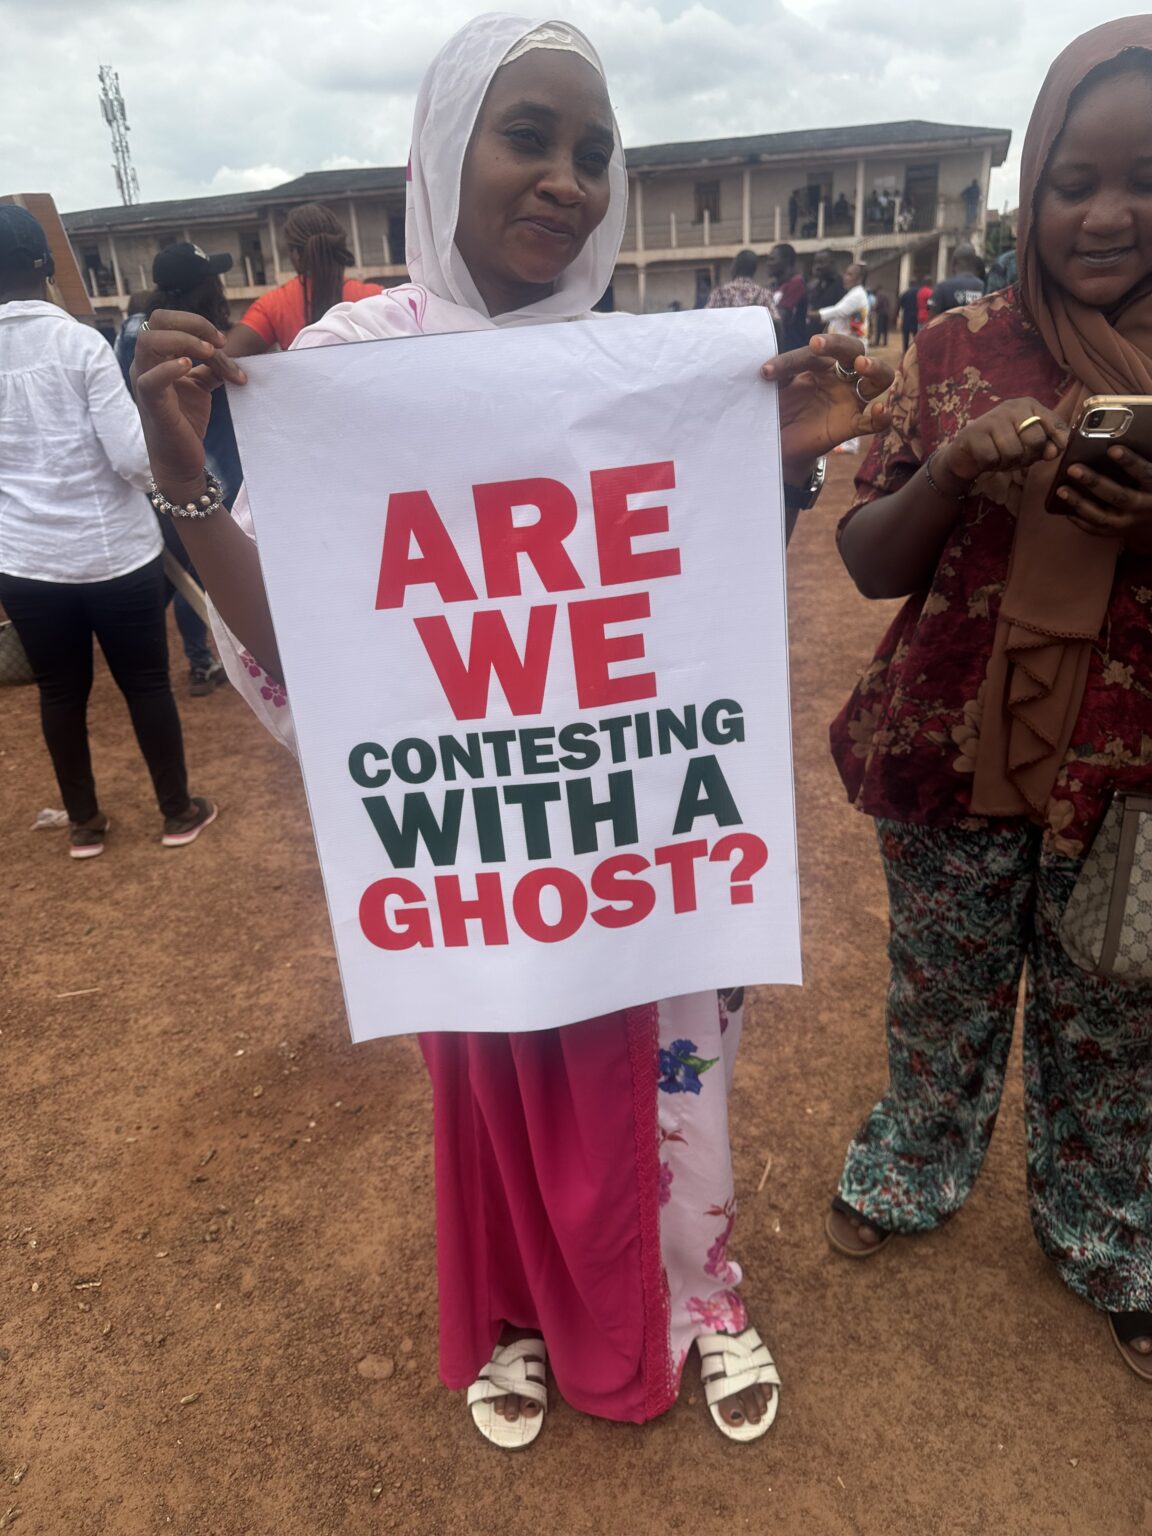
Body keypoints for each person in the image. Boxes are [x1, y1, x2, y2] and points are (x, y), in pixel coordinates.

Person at [131, 13, 893, 1447]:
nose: (568, 181)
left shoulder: (646, 371)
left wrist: (762, 465)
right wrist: (183, 471)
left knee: (677, 1081)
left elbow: (678, 620)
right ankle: (518, 1317)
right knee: (494, 1093)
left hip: (639, 831)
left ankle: (699, 1296)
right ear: (443, 149)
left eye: (595, 154)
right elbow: (305, 646)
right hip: (481, 848)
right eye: (528, 136)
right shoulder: (348, 367)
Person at [824, 16, 1152, 1386]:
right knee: (942, 988)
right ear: (1032, 189)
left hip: (1131, 775)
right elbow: (865, 559)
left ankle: (1108, 1234)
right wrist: (953, 467)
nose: (1108, 213)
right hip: (951, 749)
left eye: (1146, 181)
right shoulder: (957, 343)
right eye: (1075, 181)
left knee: (1117, 1015)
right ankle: (913, 1163)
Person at [0, 206, 215, 858]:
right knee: (146, 685)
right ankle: (177, 812)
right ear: (45, 266)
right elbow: (131, 458)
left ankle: (85, 825)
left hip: (27, 562)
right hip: (113, 555)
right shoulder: (80, 344)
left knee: (61, 692)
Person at [126, 243, 241, 696]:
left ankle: (200, 660)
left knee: (190, 575)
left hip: (172, 480)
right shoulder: (209, 342)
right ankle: (217, 658)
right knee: (209, 574)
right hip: (214, 478)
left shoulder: (139, 340)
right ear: (204, 287)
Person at [225, 204, 383, 356]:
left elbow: (226, 355)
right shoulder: (376, 298)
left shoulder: (274, 305)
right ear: (340, 248)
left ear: (295, 255)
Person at [705, 249, 779, 316]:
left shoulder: (719, 293)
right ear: (753, 270)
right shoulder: (764, 294)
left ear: (735, 267)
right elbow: (776, 320)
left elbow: (706, 318)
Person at [765, 243, 808, 352]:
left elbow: (780, 318)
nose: (768, 263)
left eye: (772, 259)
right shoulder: (775, 286)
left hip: (793, 350)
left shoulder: (796, 284)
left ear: (786, 260)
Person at [928, 243, 986, 314]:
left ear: (954, 262)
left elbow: (932, 316)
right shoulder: (985, 288)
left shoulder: (942, 289)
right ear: (975, 262)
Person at [806, 248, 844, 339]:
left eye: (821, 263)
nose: (817, 267)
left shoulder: (841, 284)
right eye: (815, 263)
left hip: (832, 338)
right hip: (813, 338)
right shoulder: (816, 285)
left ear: (832, 263)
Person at [896, 276, 922, 353]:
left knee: (906, 335)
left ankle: (905, 351)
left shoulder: (905, 293)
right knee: (916, 334)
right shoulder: (919, 293)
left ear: (909, 284)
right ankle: (915, 351)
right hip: (916, 316)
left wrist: (896, 316)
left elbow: (899, 305)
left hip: (907, 315)